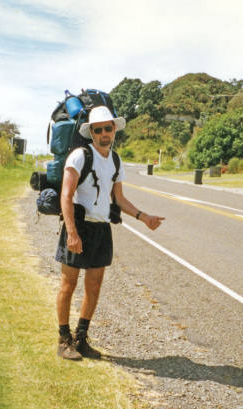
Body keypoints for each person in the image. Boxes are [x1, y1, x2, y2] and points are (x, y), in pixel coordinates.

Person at [55, 106, 165, 360]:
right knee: (68, 285)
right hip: (78, 227)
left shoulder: (115, 160)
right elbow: (66, 195)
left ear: (114, 129)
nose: (104, 133)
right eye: (98, 129)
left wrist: (143, 217)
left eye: (108, 127)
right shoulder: (80, 156)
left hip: (102, 229)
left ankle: (81, 340)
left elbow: (119, 198)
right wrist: (71, 232)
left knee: (93, 286)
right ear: (91, 132)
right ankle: (64, 340)